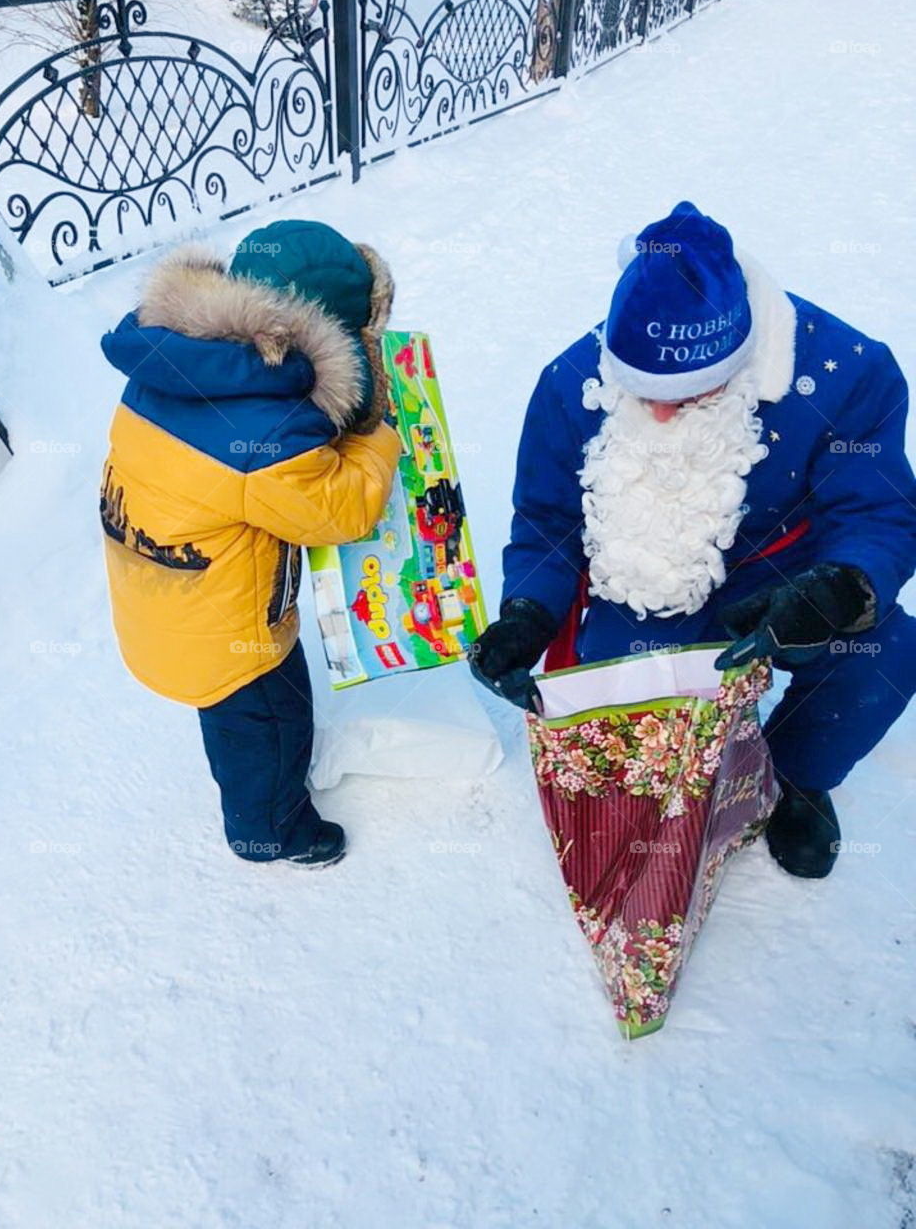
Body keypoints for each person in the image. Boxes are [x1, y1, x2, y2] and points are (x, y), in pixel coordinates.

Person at [471, 200, 916, 879]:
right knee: (624, 727)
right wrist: (528, 614)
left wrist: (837, 589)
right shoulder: (572, 386)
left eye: (686, 395)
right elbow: (546, 524)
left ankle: (794, 775)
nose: (658, 410)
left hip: (785, 575)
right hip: (643, 589)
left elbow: (877, 513)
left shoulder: (845, 373)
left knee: (880, 652)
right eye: (642, 389)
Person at [100, 220, 401, 868]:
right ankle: (270, 831)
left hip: (161, 599)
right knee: (272, 727)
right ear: (330, 336)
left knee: (234, 722)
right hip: (231, 635)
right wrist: (379, 436)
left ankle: (255, 790)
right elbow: (340, 510)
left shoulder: (172, 361)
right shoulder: (268, 435)